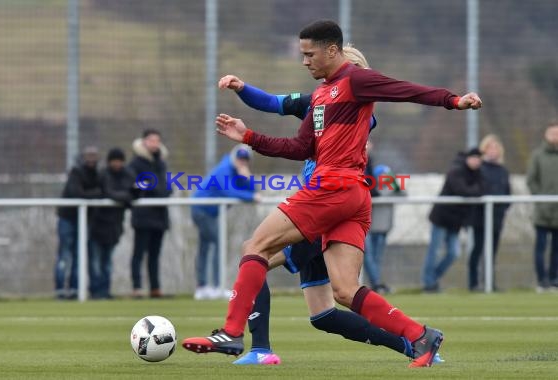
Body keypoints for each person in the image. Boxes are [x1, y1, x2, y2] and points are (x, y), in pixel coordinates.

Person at [182, 20, 481, 368]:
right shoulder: (320, 97)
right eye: (302, 55)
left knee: (255, 248)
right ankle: (421, 337)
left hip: (331, 188)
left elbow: (405, 89)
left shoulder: (355, 80)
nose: (305, 61)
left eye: (309, 54)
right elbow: (299, 147)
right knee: (344, 292)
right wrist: (248, 136)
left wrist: (453, 100)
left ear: (332, 51)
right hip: (353, 197)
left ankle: (235, 334)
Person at [191, 144, 260, 300]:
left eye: (245, 160)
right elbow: (228, 191)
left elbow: (252, 191)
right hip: (202, 209)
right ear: (233, 157)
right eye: (240, 159)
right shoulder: (224, 169)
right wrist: (251, 197)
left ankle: (203, 287)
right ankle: (217, 286)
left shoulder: (238, 172)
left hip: (208, 212)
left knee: (206, 245)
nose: (242, 162)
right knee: (218, 243)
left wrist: (247, 177)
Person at [422, 148, 483, 292]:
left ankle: (433, 278)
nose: (476, 161)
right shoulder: (456, 170)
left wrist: (473, 191)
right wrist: (474, 191)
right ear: (468, 158)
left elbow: (482, 189)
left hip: (456, 222)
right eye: (474, 158)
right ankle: (428, 284)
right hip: (442, 218)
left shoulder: (478, 173)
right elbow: (462, 190)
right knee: (434, 251)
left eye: (478, 159)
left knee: (454, 253)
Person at [128, 129, 172, 298]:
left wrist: (163, 190)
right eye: (151, 140)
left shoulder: (161, 162)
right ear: (144, 142)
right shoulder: (136, 164)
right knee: (139, 253)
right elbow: (138, 187)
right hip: (143, 216)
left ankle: (155, 288)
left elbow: (167, 186)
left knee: (155, 254)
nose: (154, 143)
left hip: (160, 215)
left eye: (157, 140)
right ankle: (137, 288)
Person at [88, 148, 136, 299]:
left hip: (114, 225)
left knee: (107, 262)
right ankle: (95, 292)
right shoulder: (103, 175)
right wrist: (124, 197)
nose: (117, 163)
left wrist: (122, 197)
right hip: (97, 225)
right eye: (114, 160)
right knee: (95, 262)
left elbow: (134, 193)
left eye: (119, 160)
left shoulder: (128, 174)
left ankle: (105, 291)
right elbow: (108, 193)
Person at [55, 146, 101, 299]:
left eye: (94, 156)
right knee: (65, 254)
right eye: (88, 156)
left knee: (78, 255)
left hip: (84, 220)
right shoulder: (76, 172)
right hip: (68, 218)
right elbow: (77, 194)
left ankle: (75, 289)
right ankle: (60, 290)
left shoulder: (98, 174)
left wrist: (93, 194)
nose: (91, 159)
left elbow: (102, 192)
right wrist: (95, 194)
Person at [468, 135, 511, 292]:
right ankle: (473, 283)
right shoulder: (479, 168)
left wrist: (503, 208)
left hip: (497, 217)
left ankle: (489, 283)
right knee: (477, 249)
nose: (493, 151)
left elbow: (507, 193)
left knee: (492, 252)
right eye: (490, 148)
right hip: (479, 217)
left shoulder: (503, 171)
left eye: (496, 148)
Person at [526, 123, 558, 292]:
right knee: (541, 247)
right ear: (546, 134)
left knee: (556, 250)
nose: (555, 136)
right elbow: (531, 180)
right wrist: (541, 200)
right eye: (552, 132)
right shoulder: (538, 156)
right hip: (542, 212)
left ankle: (554, 280)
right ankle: (541, 281)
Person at [364, 162, 404, 294]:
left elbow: (403, 194)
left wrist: (397, 187)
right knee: (369, 257)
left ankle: (376, 284)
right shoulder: (373, 186)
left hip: (384, 228)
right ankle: (376, 284)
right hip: (372, 227)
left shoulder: (392, 187)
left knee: (376, 258)